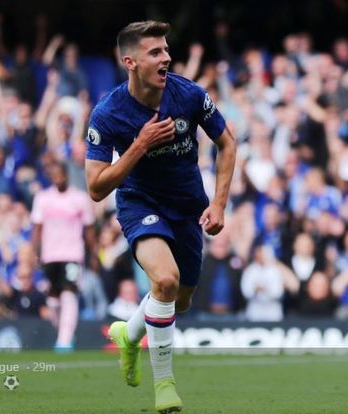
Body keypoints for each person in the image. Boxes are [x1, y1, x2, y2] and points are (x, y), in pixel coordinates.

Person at [85, 21, 236, 413]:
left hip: (187, 206)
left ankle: (128, 334)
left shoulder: (188, 95)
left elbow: (227, 142)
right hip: (141, 203)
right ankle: (165, 386)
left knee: (179, 299)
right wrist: (139, 146)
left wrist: (218, 204)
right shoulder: (108, 113)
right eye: (155, 52)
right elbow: (96, 187)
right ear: (130, 62)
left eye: (166, 50)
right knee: (164, 281)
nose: (167, 57)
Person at [31, 162, 96, 351]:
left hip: (72, 254)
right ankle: (65, 332)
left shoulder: (79, 198)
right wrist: (34, 251)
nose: (57, 177)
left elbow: (89, 229)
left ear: (65, 174)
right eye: (53, 174)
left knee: (69, 293)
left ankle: (64, 341)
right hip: (50, 255)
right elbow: (37, 227)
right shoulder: (43, 198)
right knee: (53, 300)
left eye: (59, 173)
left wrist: (93, 254)